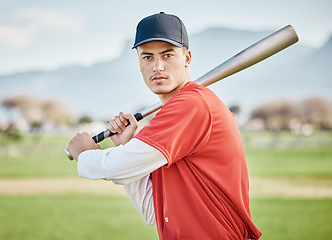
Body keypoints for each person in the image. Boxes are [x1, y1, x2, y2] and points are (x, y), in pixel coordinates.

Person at [67, 12, 262, 240]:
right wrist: (127, 144)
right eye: (147, 57)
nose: (157, 66)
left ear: (187, 58)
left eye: (167, 55)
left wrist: (85, 154)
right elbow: (154, 212)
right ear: (139, 63)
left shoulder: (192, 104)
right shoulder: (174, 114)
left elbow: (116, 168)